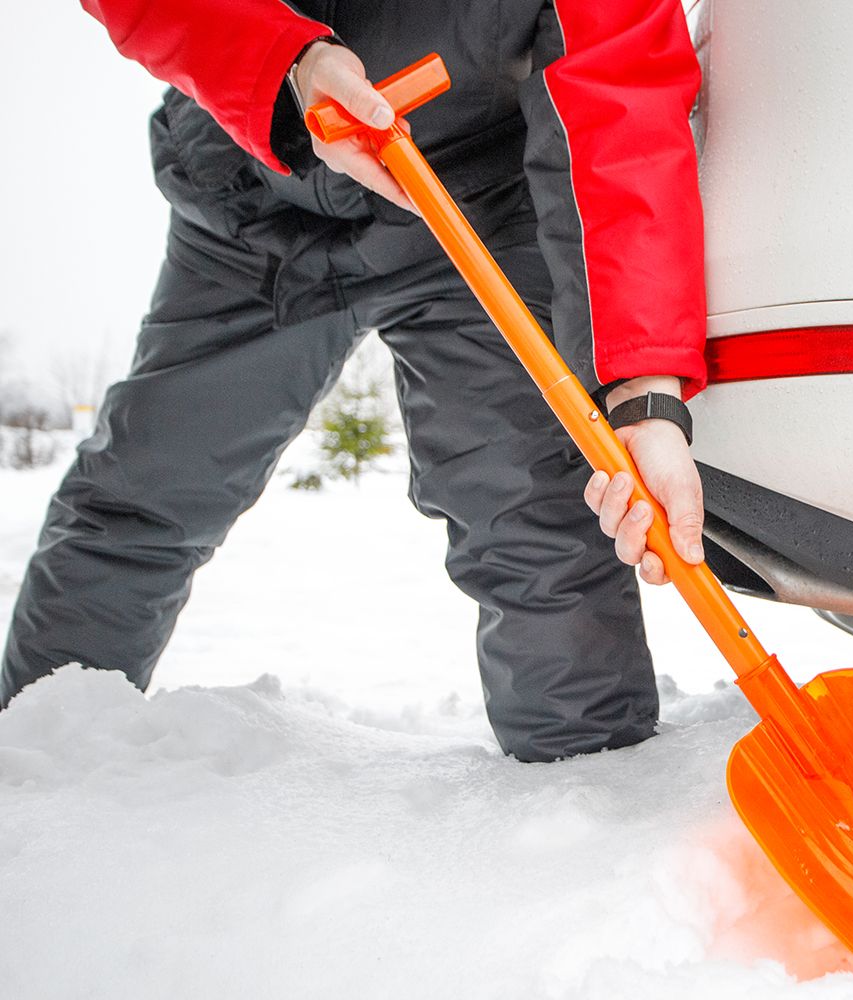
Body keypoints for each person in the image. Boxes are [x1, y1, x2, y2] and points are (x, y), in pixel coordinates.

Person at [0, 0, 709, 762]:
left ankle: (591, 808)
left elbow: (619, 105)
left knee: (532, 505)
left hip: (463, 199)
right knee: (146, 488)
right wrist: (290, 65)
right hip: (251, 187)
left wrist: (643, 391)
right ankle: (34, 773)